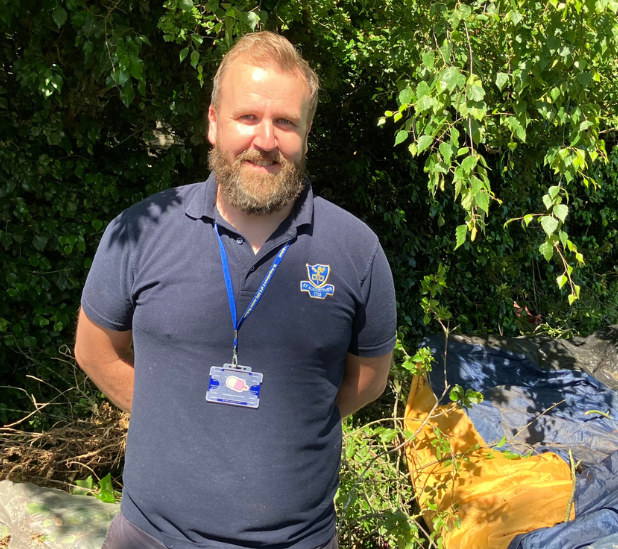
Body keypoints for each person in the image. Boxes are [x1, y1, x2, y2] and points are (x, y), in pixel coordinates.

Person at [74, 31, 397, 549]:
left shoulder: (357, 252)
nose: (266, 140)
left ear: (306, 134)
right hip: (149, 538)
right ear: (213, 123)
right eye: (247, 117)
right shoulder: (140, 232)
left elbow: (369, 380)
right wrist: (172, 412)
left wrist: (293, 420)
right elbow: (94, 351)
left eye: (285, 122)